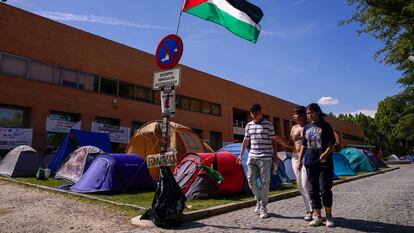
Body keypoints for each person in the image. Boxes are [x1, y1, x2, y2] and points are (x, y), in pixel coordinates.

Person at [237, 103, 278, 219]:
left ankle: (263, 206)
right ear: (250, 114)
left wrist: (275, 156)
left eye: (257, 113)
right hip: (252, 156)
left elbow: (274, 142)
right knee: (250, 180)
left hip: (265, 157)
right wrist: (241, 154)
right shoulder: (248, 125)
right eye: (252, 114)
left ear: (260, 112)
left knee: (265, 182)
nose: (254, 116)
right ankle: (259, 200)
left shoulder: (268, 125)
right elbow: (246, 140)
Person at [298, 103, 336, 227]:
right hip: (310, 162)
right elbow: (303, 145)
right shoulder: (306, 128)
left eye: (312, 112)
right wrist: (300, 160)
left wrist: (325, 154)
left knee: (325, 190)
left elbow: (332, 144)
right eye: (308, 113)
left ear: (318, 112)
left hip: (324, 163)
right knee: (313, 190)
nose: (310, 115)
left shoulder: (326, 126)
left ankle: (329, 216)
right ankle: (318, 216)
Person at [276, 106, 313, 221]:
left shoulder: (309, 127)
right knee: (300, 186)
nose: (293, 116)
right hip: (294, 158)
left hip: (307, 157)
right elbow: (291, 144)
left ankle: (313, 210)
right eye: (293, 114)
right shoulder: (293, 128)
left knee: (305, 183)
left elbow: (310, 144)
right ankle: (309, 209)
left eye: (296, 114)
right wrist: (281, 141)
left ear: (302, 115)